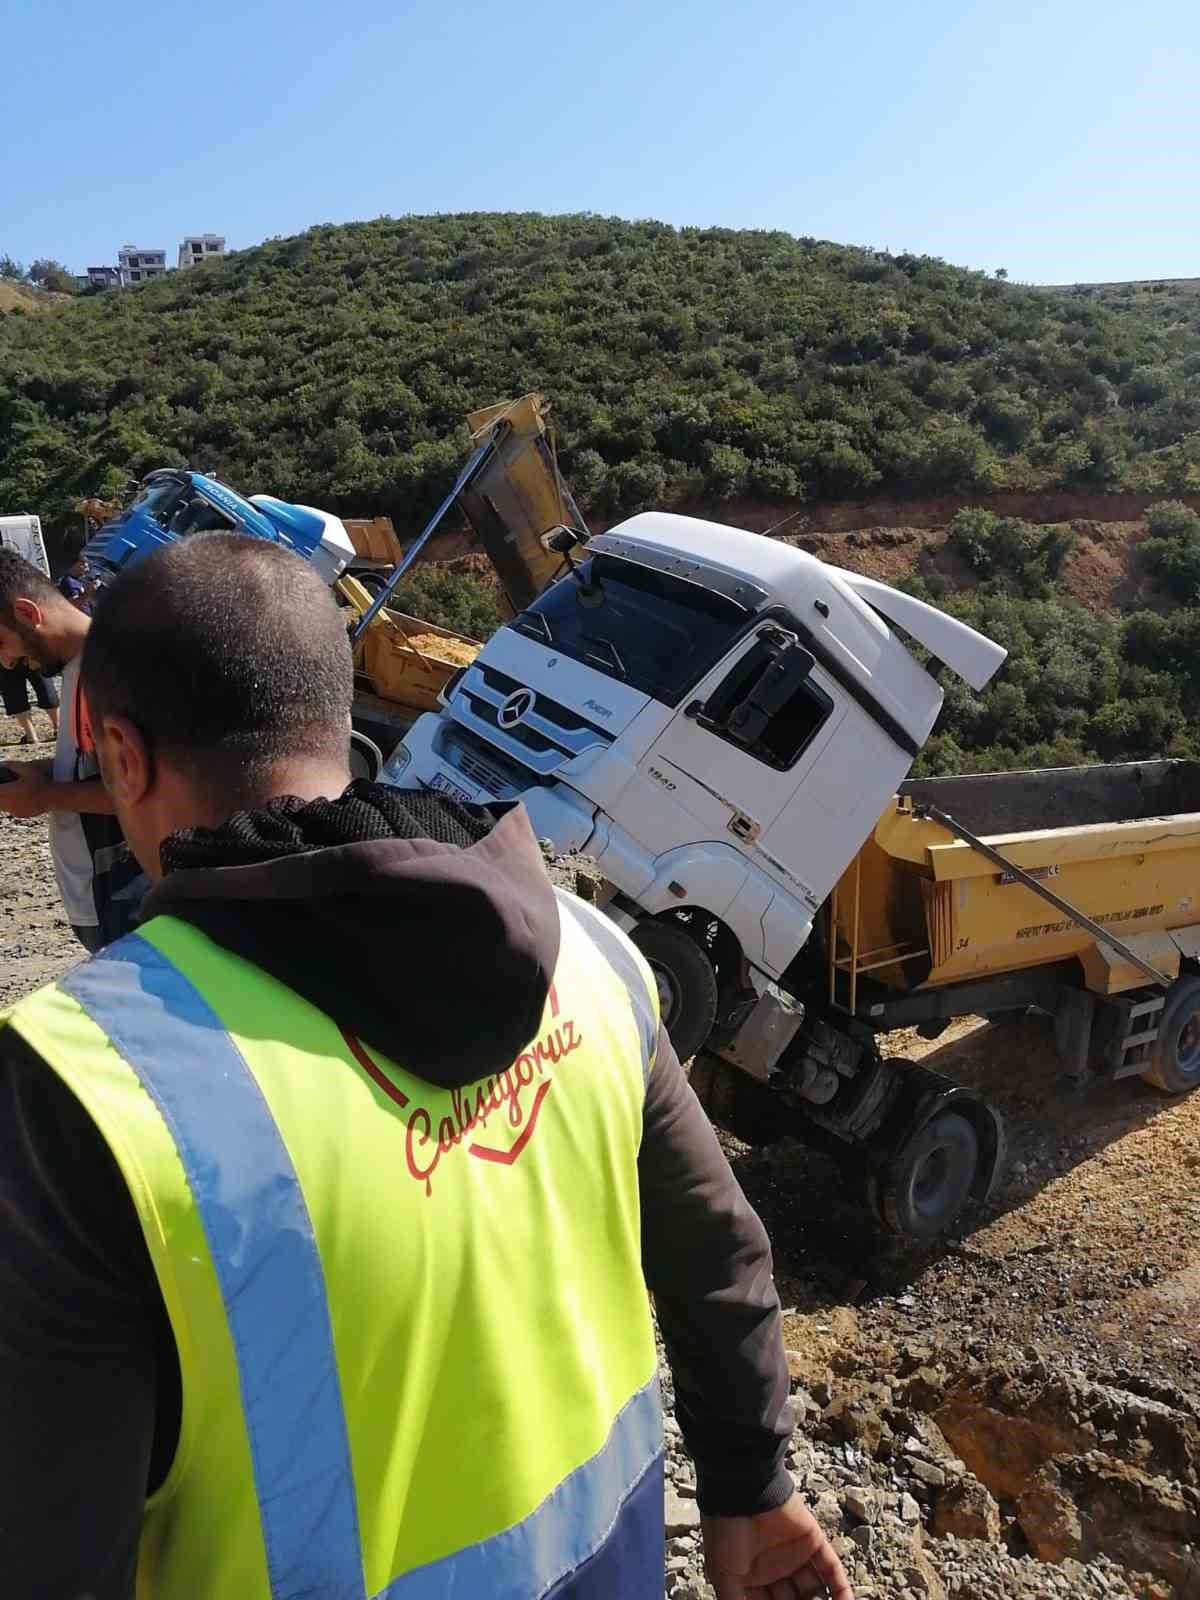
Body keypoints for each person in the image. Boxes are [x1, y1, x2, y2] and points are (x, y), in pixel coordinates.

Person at [0, 533, 851, 1600]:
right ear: (339, 717)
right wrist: (751, 1488)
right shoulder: (588, 954)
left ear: (122, 758)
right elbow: (719, 1253)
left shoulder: (83, 1093)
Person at [0, 548, 146, 949]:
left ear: (28, 614)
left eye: (1, 643)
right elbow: (101, 766)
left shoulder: (114, 671)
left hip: (126, 895)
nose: (7, 662)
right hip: (102, 897)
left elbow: (146, 788)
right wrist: (41, 773)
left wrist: (44, 796)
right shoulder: (81, 668)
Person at [0, 660, 60, 744]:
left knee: (13, 690)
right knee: (42, 682)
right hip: (31, 651)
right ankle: (59, 728)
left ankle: (31, 735)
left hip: (6, 654)